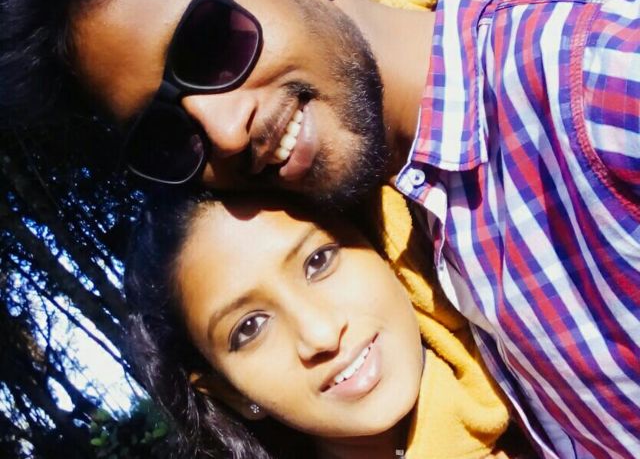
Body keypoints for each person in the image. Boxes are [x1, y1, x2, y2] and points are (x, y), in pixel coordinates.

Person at [3, 0, 639, 457]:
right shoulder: (404, 218)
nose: (225, 131)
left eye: (210, 44)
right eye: (165, 130)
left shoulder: (598, 77)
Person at [126, 185, 520, 458]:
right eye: (249, 328)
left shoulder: (534, 354)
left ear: (381, 242)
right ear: (231, 392)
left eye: (318, 262)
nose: (321, 334)